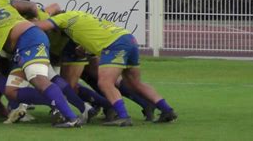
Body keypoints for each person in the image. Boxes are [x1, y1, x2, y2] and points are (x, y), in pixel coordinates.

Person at [0, 0, 82, 128]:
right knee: (11, 91)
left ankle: (71, 117)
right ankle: (57, 103)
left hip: (28, 40)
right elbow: (32, 6)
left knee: (39, 80)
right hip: (26, 40)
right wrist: (33, 20)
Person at [34, 11, 177, 126]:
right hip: (128, 39)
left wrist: (18, 23)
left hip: (114, 45)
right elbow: (93, 35)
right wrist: (84, 50)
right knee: (135, 83)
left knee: (105, 82)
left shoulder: (62, 18)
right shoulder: (82, 17)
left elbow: (40, 26)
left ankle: (123, 116)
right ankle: (167, 110)